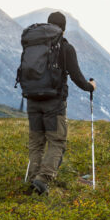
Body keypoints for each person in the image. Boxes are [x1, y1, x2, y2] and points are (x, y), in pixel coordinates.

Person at [25, 11, 95, 195]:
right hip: (53, 102)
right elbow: (77, 77)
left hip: (32, 99)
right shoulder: (65, 47)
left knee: (36, 142)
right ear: (63, 29)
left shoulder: (34, 45)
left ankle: (33, 178)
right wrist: (90, 87)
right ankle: (43, 178)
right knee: (57, 141)